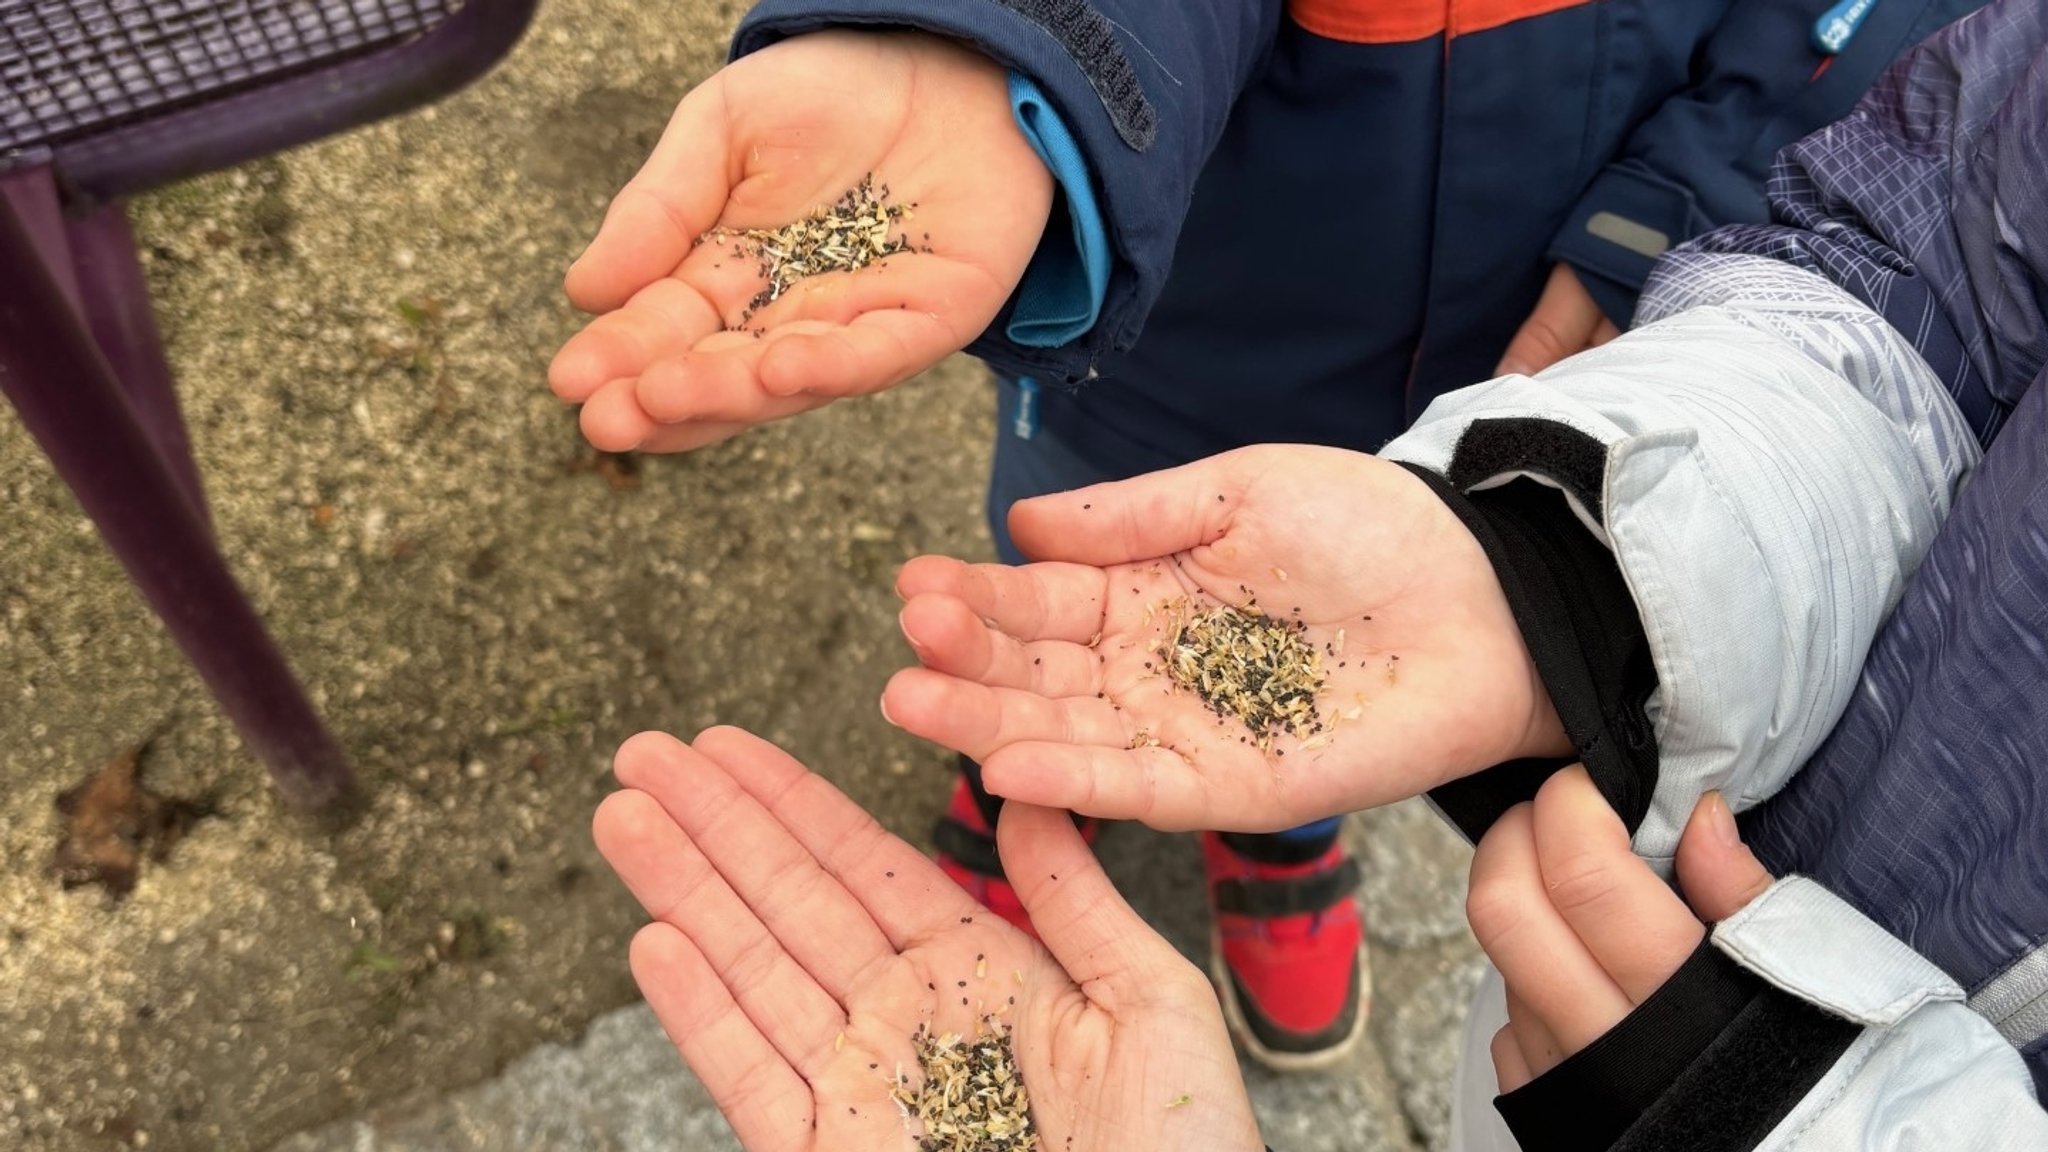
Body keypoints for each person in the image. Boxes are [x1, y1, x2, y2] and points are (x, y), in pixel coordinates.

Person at [597, 0, 2048, 1143]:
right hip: (1183, 309)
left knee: (1273, 689)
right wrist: (1009, 32)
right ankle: (1022, 787)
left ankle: (1279, 826)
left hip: (1548, 304)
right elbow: (1966, 228)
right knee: (1069, 594)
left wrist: (1675, 201)